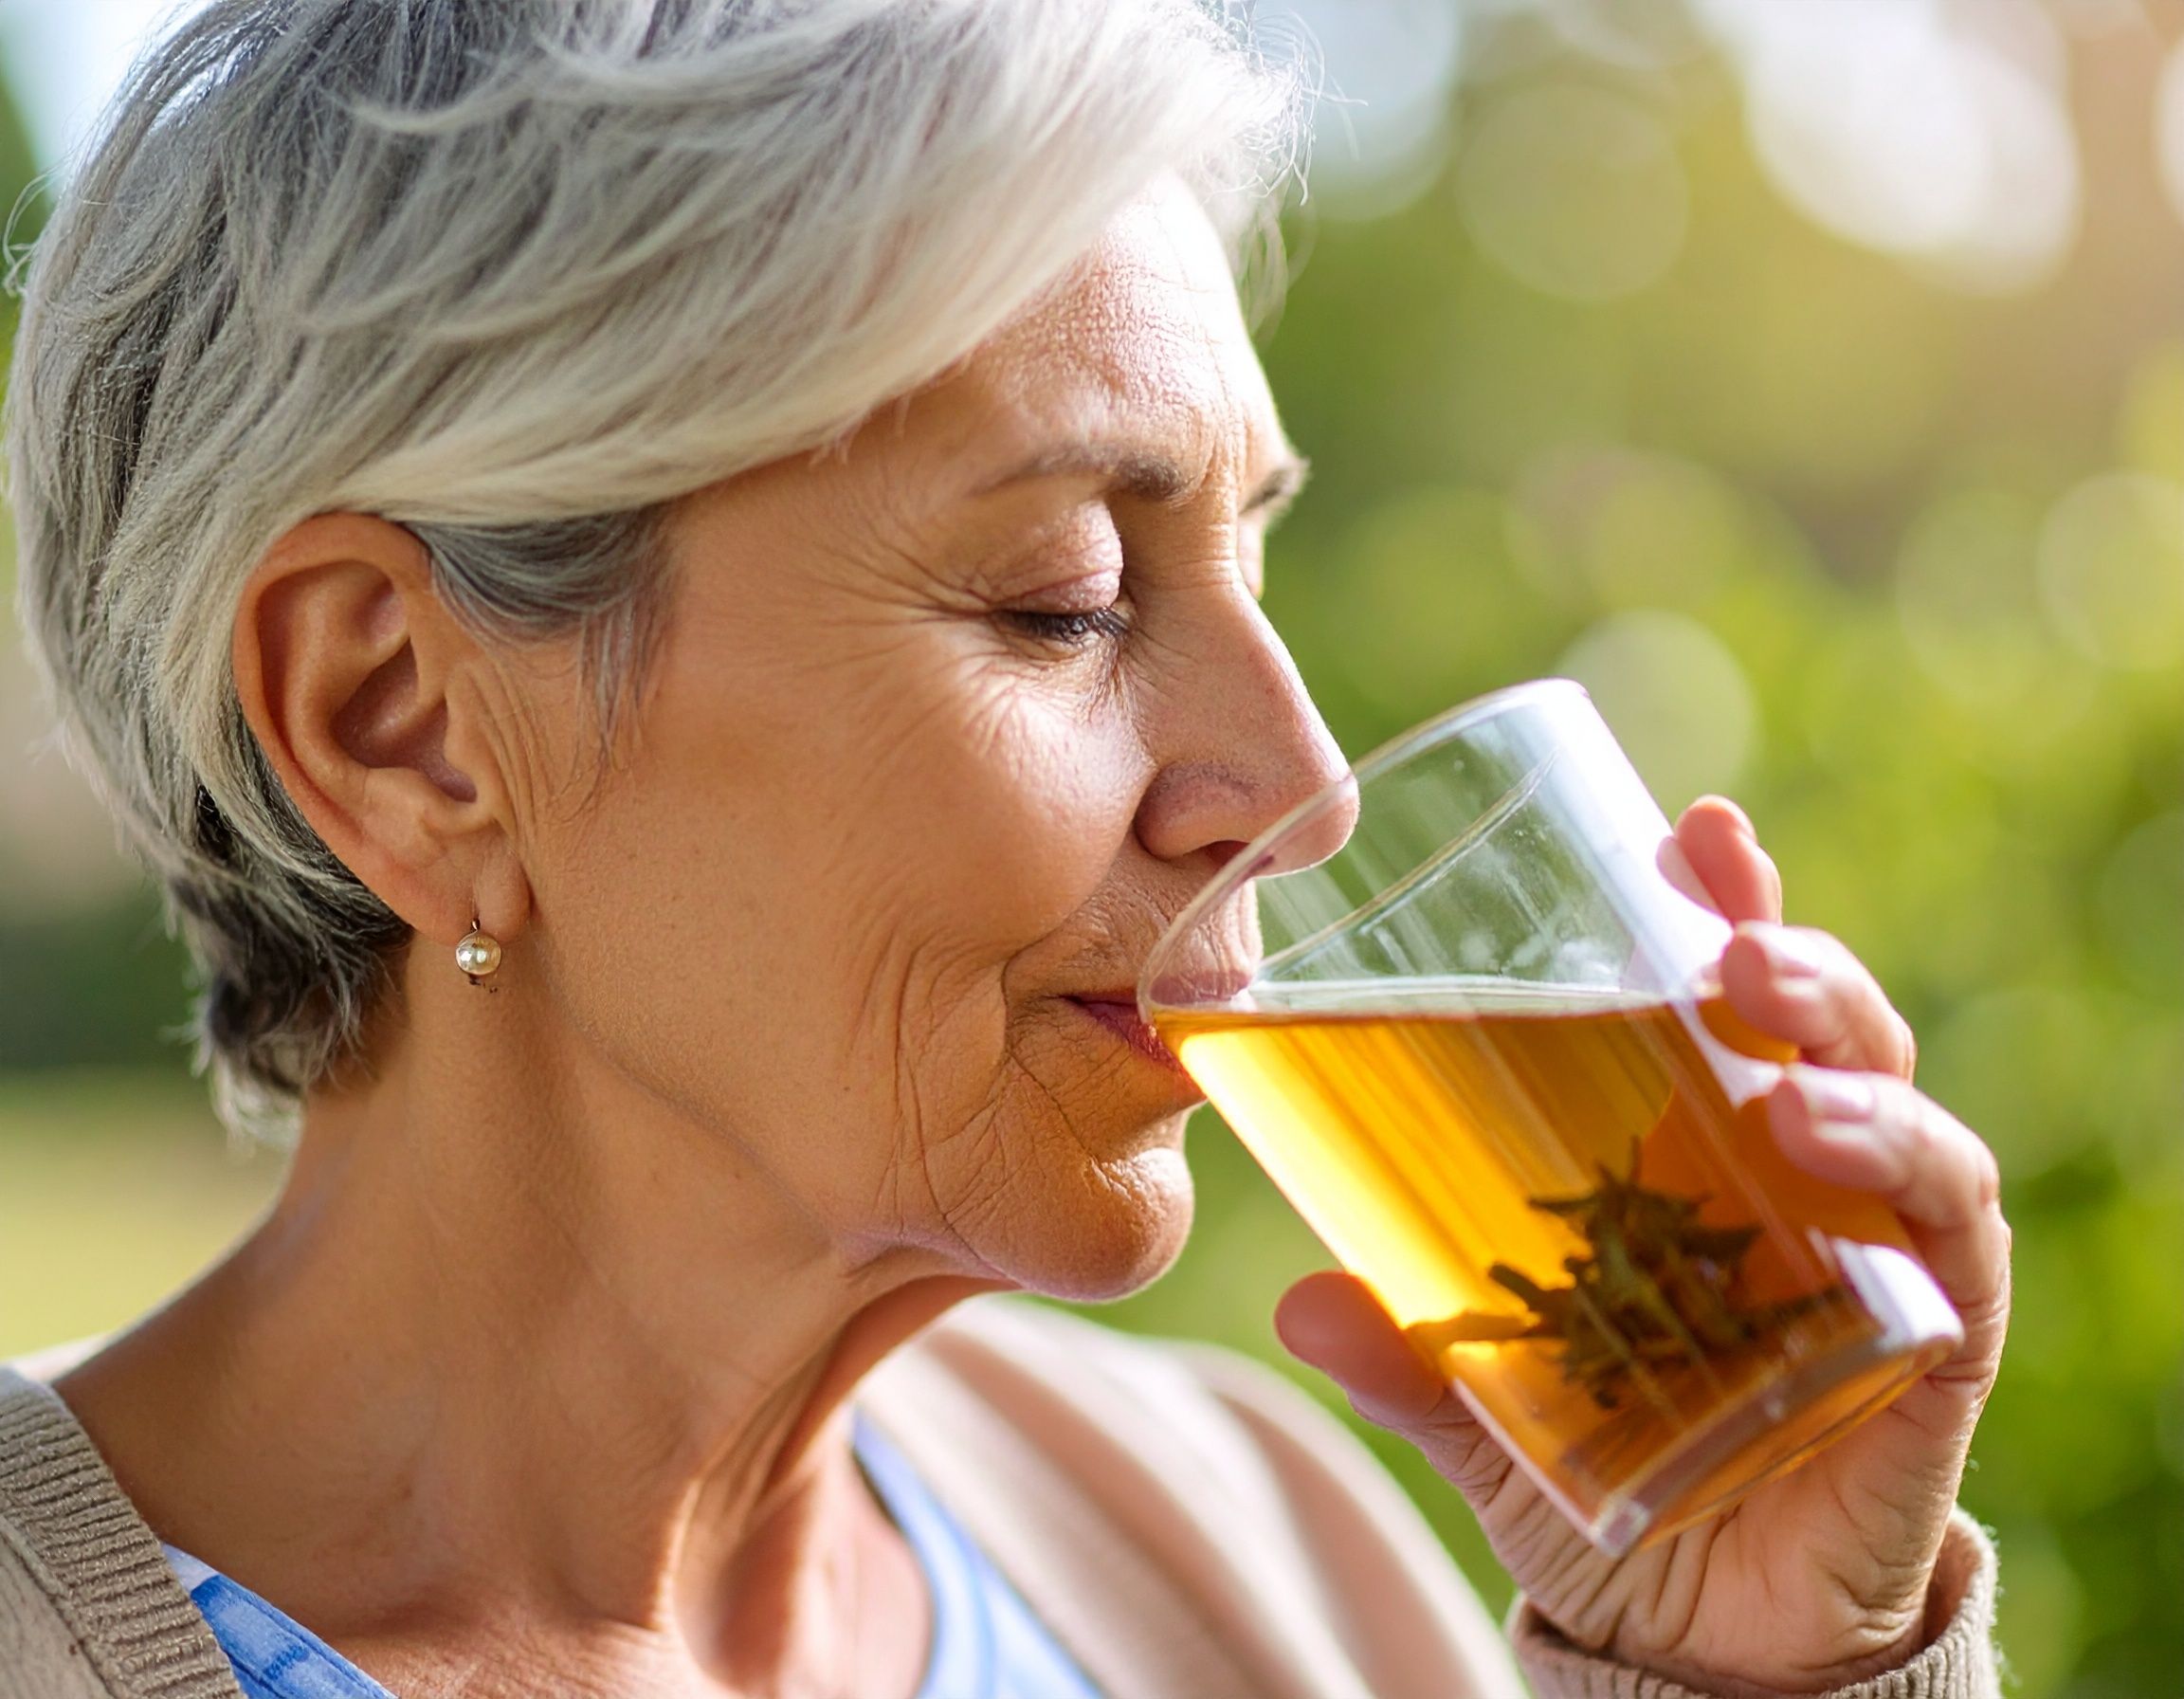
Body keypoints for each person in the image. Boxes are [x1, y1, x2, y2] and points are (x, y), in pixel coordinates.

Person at [0, 4, 2011, 1696]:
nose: (1302, 784)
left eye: (1254, 553)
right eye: (1063, 597)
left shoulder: (1258, 1552)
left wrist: (1755, 1666)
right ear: (404, 727)